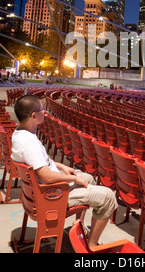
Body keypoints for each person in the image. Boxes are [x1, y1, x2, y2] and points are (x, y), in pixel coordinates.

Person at [11, 95, 118, 248]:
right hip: (51, 196)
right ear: (33, 116)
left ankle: (80, 226)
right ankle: (92, 246)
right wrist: (73, 180)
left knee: (88, 178)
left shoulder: (19, 135)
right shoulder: (29, 143)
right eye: (42, 110)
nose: (45, 113)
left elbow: (41, 162)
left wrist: (62, 167)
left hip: (41, 192)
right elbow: (46, 176)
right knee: (108, 197)